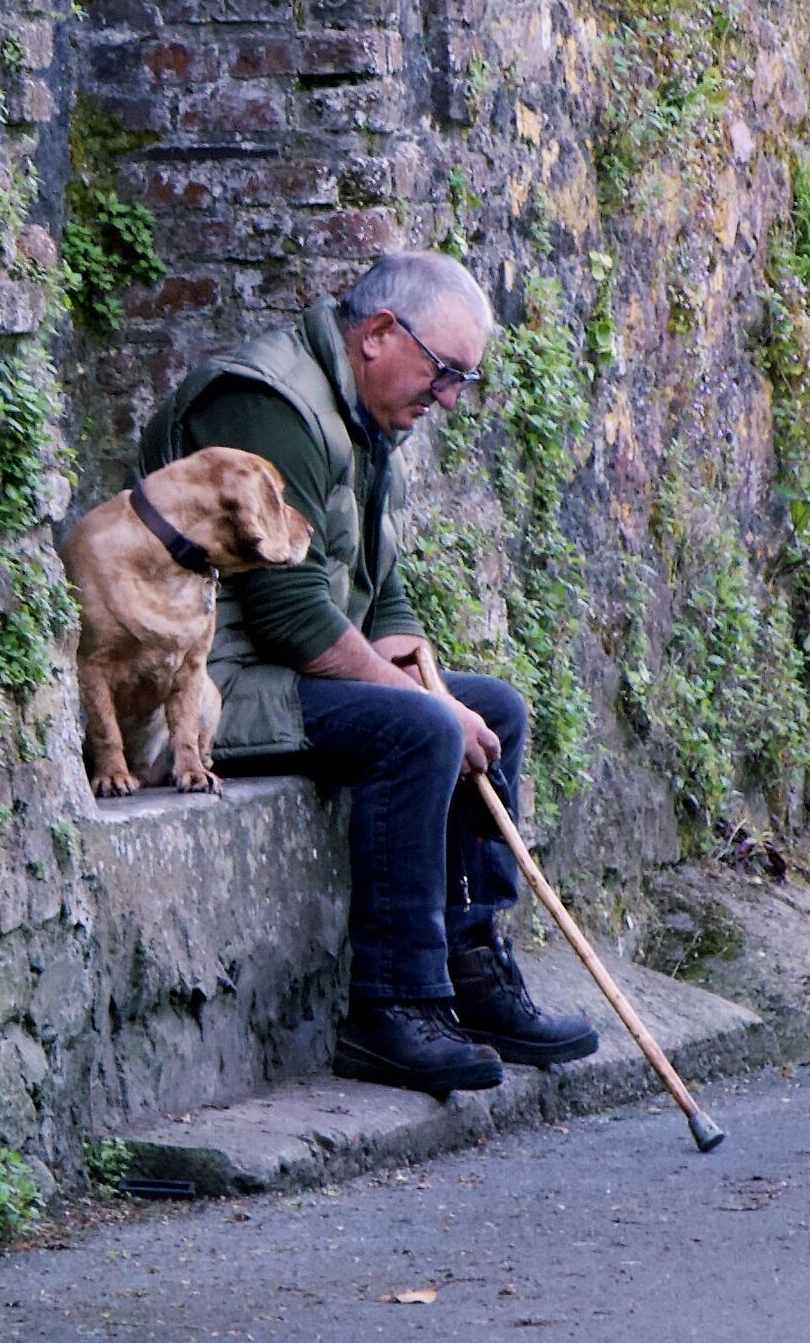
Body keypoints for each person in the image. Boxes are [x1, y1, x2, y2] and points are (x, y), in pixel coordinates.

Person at [134, 251, 599, 1096]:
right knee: (422, 727)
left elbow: (381, 592)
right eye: (445, 372)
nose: (450, 398)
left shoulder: (364, 414)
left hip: (274, 674)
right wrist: (426, 706)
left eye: (464, 380)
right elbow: (289, 616)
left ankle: (471, 974)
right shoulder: (265, 403)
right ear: (381, 335)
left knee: (494, 708)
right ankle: (392, 1009)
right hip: (202, 695)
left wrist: (420, 664)